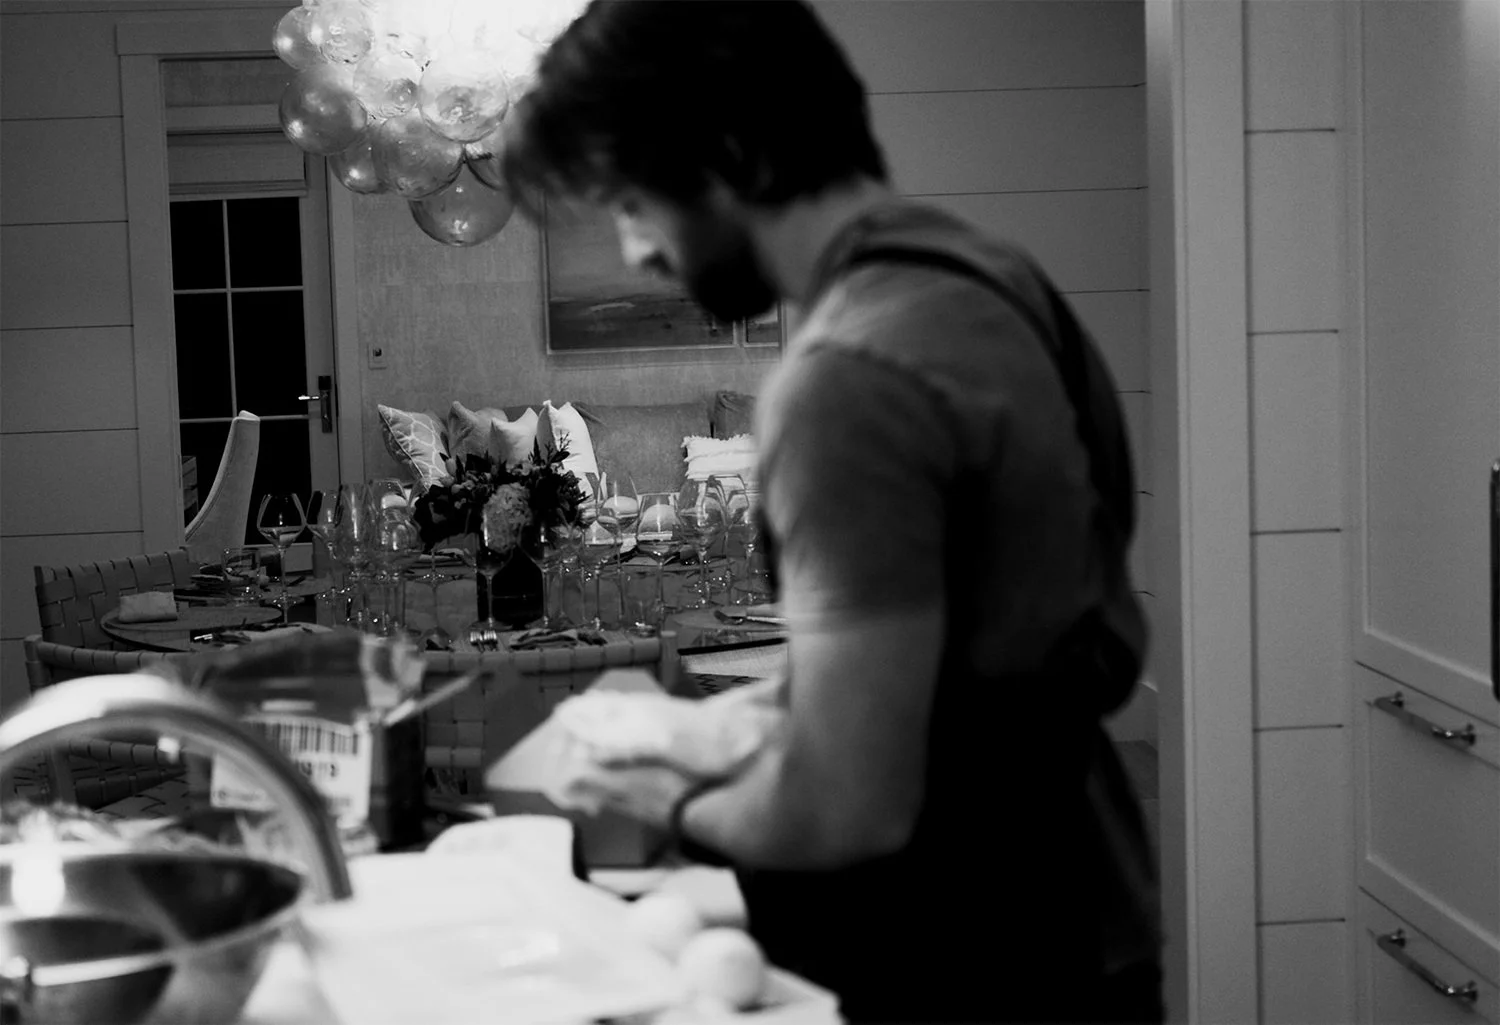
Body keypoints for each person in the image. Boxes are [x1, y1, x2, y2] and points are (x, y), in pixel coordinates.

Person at [501, 3, 1162, 1021]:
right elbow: (967, 662)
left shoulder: (847, 379)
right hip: (1083, 909)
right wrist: (705, 723)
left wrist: (654, 797)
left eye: (632, 199)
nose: (633, 248)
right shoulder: (990, 278)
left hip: (952, 948)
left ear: (723, 150)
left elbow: (843, 806)